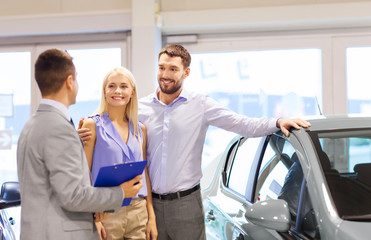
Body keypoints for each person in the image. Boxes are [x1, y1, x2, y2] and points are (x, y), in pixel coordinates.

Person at [79, 44, 310, 240]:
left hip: (185, 205)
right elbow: (112, 133)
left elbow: (242, 124)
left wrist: (277, 121)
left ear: (186, 73)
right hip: (147, 207)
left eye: (173, 69)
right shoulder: (141, 109)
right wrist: (80, 136)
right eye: (161, 68)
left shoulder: (201, 105)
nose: (165, 75)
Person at [16, 49, 143, 240]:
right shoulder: (59, 129)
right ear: (69, 82)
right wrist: (120, 193)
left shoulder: (33, 124)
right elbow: (73, 196)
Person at [80, 67, 157, 240]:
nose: (117, 91)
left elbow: (144, 174)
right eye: (112, 86)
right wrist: (92, 218)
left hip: (138, 210)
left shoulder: (140, 129)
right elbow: (84, 175)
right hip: (105, 211)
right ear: (104, 91)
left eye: (123, 86)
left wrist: (151, 216)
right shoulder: (91, 125)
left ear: (132, 92)